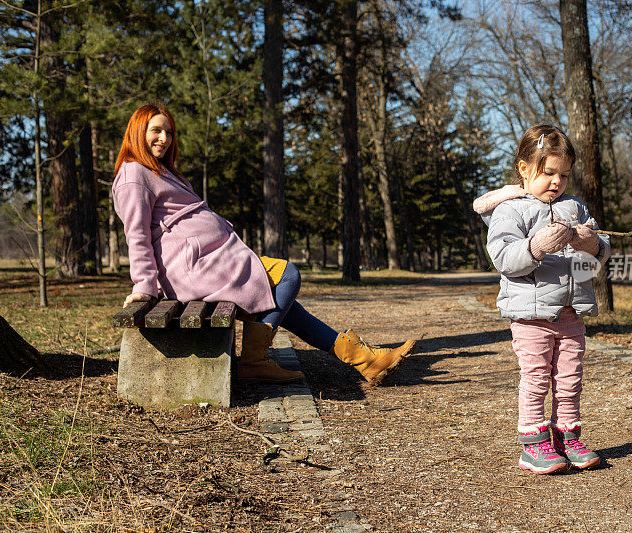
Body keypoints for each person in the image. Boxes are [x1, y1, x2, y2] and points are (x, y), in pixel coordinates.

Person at [113, 102, 415, 385]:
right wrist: (143, 287)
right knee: (287, 275)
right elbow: (137, 233)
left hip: (211, 261)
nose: (164, 138)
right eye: (156, 130)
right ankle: (255, 360)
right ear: (139, 132)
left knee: (283, 302)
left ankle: (365, 361)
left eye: (168, 132)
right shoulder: (133, 174)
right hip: (192, 268)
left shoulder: (160, 170)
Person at [473, 124, 610, 474]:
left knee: (569, 379)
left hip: (570, 312)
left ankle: (567, 436)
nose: (556, 182)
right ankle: (534, 444)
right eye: (548, 172)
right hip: (531, 315)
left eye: (564, 175)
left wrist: (589, 243)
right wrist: (537, 246)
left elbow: (599, 253)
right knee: (535, 378)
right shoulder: (510, 211)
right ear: (524, 168)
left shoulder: (575, 208)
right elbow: (505, 259)